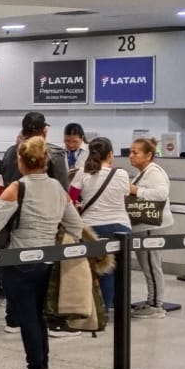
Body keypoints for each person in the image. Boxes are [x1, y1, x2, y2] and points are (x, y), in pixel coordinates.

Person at [0, 136, 84, 369]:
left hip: (19, 260)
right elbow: (75, 224)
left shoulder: (17, 187)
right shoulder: (58, 188)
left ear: (21, 160)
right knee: (38, 315)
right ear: (45, 160)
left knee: (26, 316)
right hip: (47, 261)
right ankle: (42, 367)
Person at [70, 137, 131, 322]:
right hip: (121, 227)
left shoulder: (82, 173)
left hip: (92, 228)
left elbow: (70, 199)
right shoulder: (121, 174)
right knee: (121, 270)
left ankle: (99, 310)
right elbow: (124, 195)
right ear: (110, 154)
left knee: (102, 271)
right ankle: (118, 308)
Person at [127, 138, 174, 316]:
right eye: (130, 152)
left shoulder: (154, 172)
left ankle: (156, 305)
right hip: (145, 225)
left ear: (148, 155)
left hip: (151, 226)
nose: (131, 156)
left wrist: (136, 191)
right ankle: (152, 300)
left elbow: (161, 194)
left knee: (151, 265)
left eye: (135, 152)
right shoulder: (144, 172)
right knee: (148, 264)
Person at [1, 112, 68, 189]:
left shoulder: (9, 152)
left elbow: (6, 181)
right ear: (44, 131)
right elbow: (63, 188)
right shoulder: (54, 153)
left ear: (23, 131)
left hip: (13, 198)